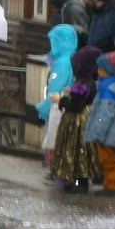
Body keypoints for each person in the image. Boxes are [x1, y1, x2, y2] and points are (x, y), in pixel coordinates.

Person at [53, 46, 103, 194]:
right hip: (84, 120)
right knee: (80, 151)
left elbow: (76, 105)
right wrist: (72, 92)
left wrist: (60, 100)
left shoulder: (83, 83)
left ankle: (81, 183)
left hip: (79, 123)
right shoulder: (87, 80)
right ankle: (78, 181)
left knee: (79, 151)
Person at [83, 51, 115, 197]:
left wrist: (99, 133)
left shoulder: (109, 90)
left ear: (108, 71)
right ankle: (111, 185)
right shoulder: (112, 86)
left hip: (110, 136)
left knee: (110, 162)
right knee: (112, 161)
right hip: (113, 134)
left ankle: (113, 188)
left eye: (100, 68)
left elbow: (105, 115)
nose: (97, 71)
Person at [34, 24, 77, 182]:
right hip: (67, 105)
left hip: (57, 108)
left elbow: (54, 89)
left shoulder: (61, 63)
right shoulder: (71, 58)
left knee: (54, 138)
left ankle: (57, 172)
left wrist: (43, 109)